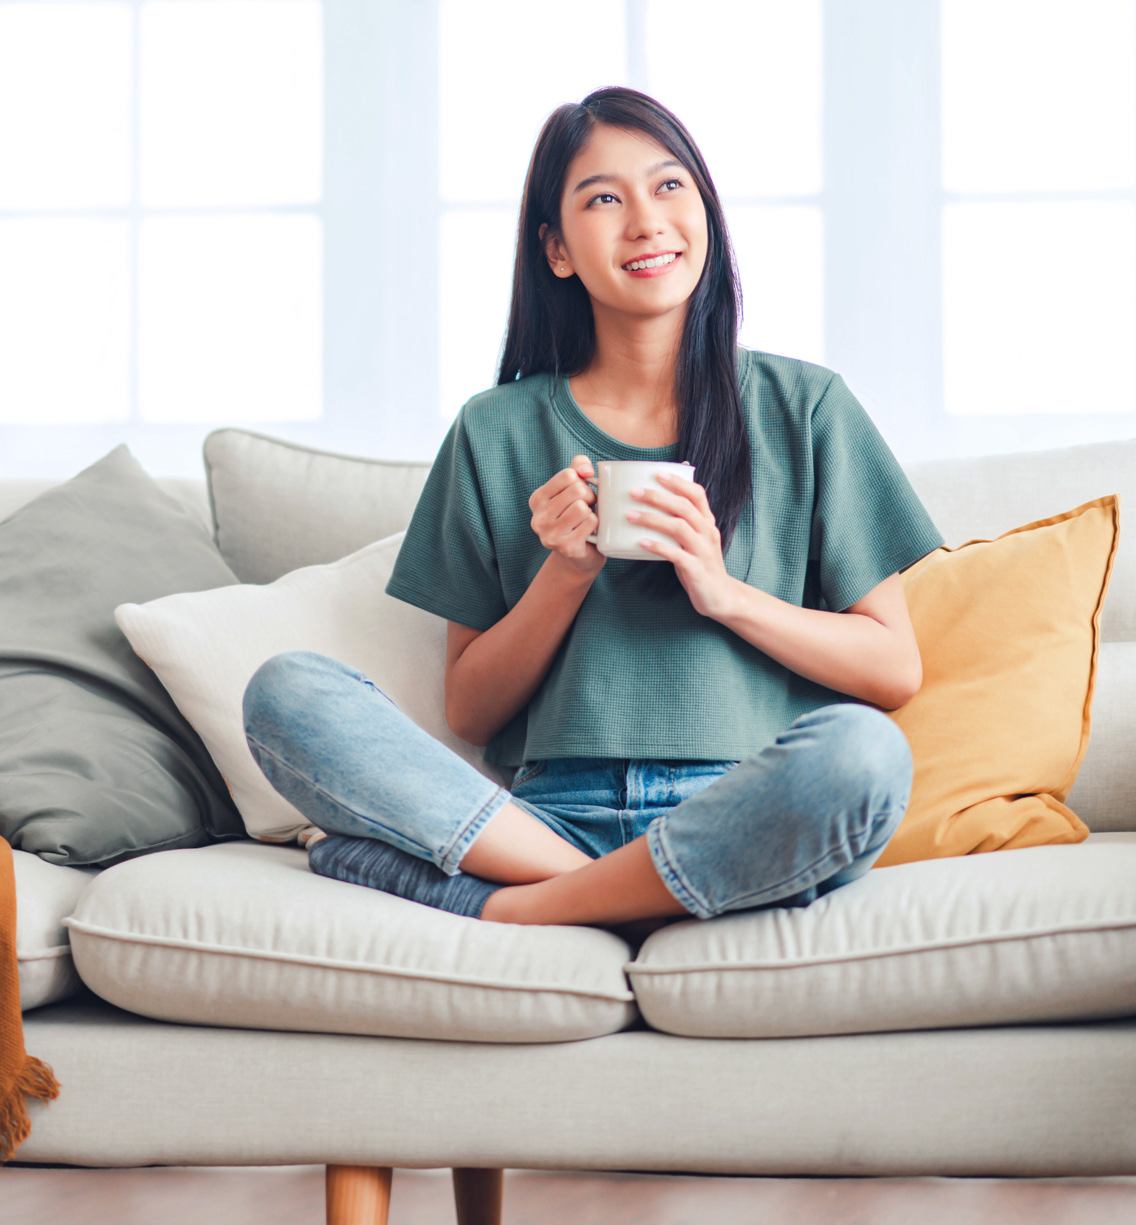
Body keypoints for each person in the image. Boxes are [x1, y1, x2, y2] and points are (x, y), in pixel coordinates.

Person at [242, 87, 942, 928]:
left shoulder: (808, 407)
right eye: (604, 199)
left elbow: (894, 670)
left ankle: (523, 910)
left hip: (740, 807)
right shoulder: (494, 428)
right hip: (545, 816)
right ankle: (623, 892)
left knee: (865, 755)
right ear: (559, 249)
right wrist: (563, 577)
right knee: (285, 694)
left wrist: (724, 593)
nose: (646, 220)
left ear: (706, 215)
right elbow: (470, 709)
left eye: (669, 186)